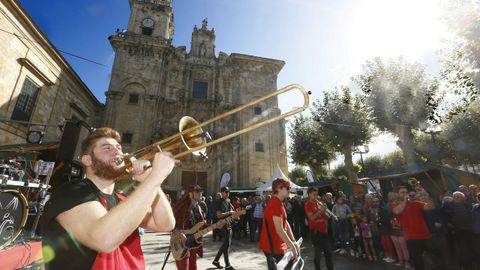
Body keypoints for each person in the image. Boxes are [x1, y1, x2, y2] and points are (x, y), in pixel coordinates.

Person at [41, 127, 176, 269]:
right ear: (87, 160)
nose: (117, 152)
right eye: (107, 148)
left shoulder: (121, 199)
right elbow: (104, 240)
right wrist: (155, 178)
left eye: (119, 148)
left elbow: (165, 224)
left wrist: (151, 181)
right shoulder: (71, 192)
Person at [391, 184, 436, 270]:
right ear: (397, 194)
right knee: (418, 262)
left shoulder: (415, 203)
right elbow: (397, 211)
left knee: (434, 257)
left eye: (406, 192)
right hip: (411, 238)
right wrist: (405, 200)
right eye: (402, 192)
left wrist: (426, 196)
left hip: (425, 236)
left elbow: (431, 207)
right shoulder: (395, 205)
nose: (405, 194)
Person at [259, 178, 299, 270]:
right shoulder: (275, 203)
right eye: (287, 188)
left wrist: (293, 241)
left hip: (277, 245)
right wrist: (293, 247)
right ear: (278, 189)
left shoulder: (278, 202)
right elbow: (280, 230)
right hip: (272, 247)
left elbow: (286, 222)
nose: (290, 190)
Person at [172, 185, 210, 270]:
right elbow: (169, 219)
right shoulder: (182, 204)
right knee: (184, 268)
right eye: (197, 191)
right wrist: (177, 232)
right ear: (190, 194)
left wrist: (217, 225)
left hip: (193, 242)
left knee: (193, 267)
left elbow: (201, 226)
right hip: (181, 242)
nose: (200, 193)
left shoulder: (199, 207)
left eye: (201, 191)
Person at [304, 187, 334, 270]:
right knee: (318, 255)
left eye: (316, 195)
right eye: (314, 195)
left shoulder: (319, 203)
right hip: (315, 232)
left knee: (328, 253)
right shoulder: (307, 204)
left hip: (323, 231)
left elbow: (326, 217)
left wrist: (327, 212)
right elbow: (312, 218)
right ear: (309, 194)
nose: (316, 197)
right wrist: (321, 210)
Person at [212, 186, 236, 270]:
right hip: (221, 225)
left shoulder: (229, 201)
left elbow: (232, 212)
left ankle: (216, 261)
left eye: (228, 192)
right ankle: (227, 265)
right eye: (226, 192)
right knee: (226, 244)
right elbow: (219, 215)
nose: (227, 193)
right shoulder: (219, 202)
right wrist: (229, 212)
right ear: (222, 193)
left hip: (228, 225)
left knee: (227, 244)